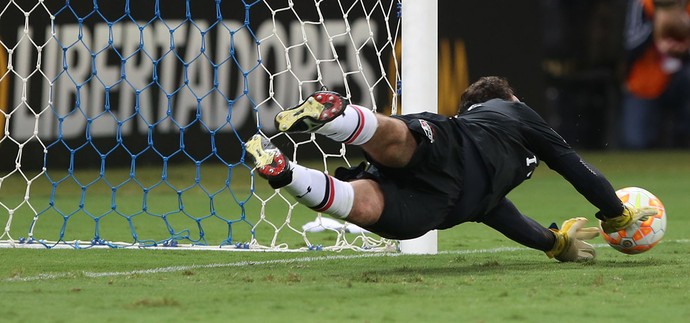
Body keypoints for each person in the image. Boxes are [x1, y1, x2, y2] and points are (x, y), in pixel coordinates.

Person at [245, 76, 657, 262]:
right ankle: (335, 117)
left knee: (371, 200)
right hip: (456, 157)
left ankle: (286, 173)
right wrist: (612, 210)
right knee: (406, 144)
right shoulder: (506, 111)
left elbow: (498, 212)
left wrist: (552, 242)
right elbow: (571, 163)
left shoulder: (493, 188)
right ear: (508, 98)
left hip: (447, 203)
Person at [622, 0, 690, 149]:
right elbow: (629, 45)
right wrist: (657, 26)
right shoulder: (642, 4)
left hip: (682, 76)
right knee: (635, 142)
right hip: (646, 79)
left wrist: (684, 47)